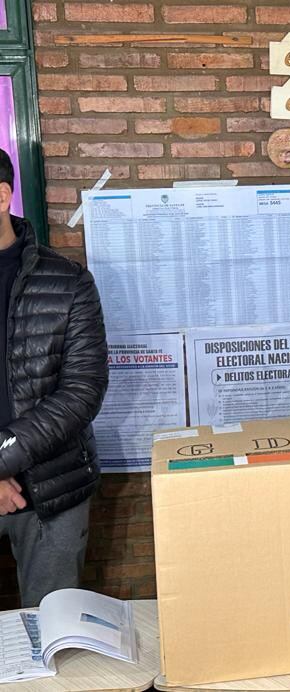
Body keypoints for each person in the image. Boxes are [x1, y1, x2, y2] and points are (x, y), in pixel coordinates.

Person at [0, 148, 109, 607]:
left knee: (50, 628)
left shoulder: (67, 282)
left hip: (50, 485)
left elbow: (82, 391)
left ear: (2, 195)